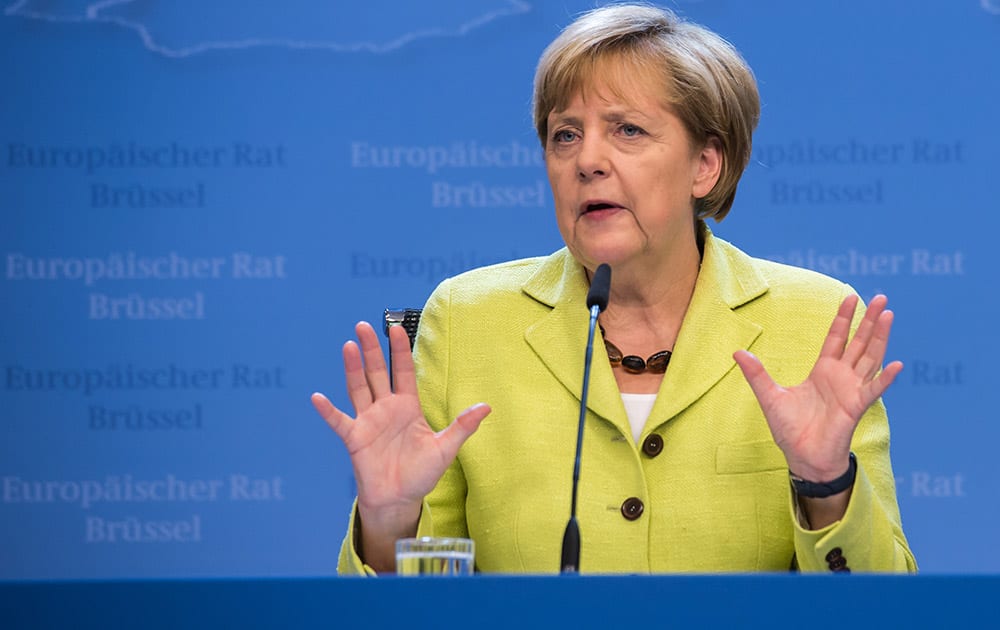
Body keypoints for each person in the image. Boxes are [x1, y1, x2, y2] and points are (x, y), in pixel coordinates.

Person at [311, 3, 917, 574]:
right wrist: (389, 519)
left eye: (627, 130)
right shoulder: (467, 321)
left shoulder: (813, 321)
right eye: (564, 135)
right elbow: (407, 609)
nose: (587, 160)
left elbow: (888, 602)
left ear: (706, 165)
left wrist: (825, 483)